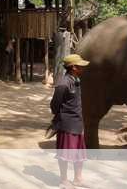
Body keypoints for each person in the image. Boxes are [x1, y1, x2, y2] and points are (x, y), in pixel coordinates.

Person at [50, 54, 90, 189]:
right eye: (80, 66)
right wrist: (62, 118)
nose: (83, 68)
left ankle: (78, 179)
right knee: (65, 154)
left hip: (78, 123)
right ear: (73, 67)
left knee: (79, 154)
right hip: (67, 124)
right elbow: (54, 105)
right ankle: (64, 181)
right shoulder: (63, 84)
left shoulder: (76, 80)